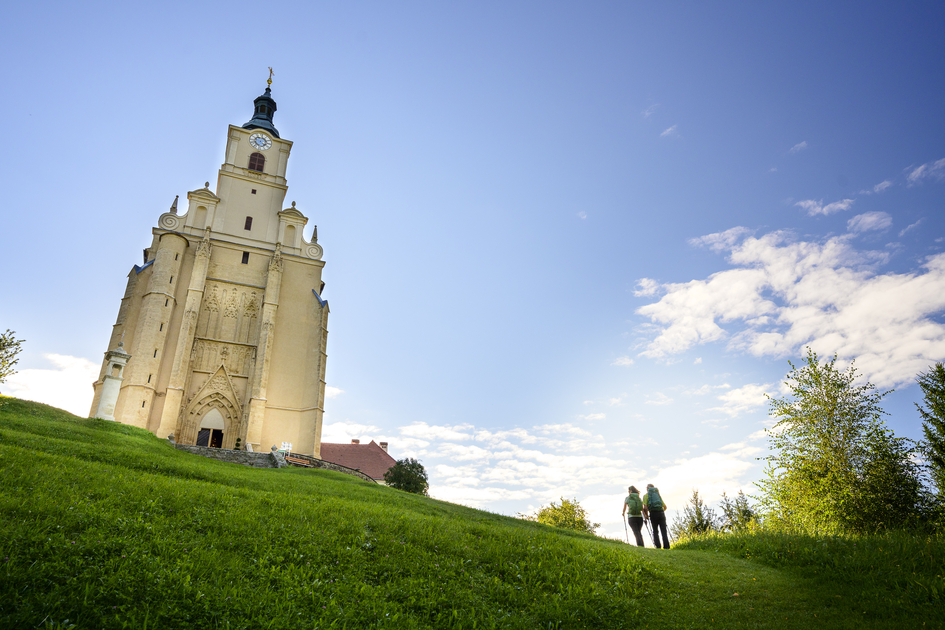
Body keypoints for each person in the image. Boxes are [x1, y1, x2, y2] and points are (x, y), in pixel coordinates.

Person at [642, 483, 670, 549]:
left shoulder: (646, 496)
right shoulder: (658, 496)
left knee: (655, 530)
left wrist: (646, 515)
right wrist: (661, 511)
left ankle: (658, 546)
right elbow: (665, 507)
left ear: (647, 489)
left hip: (653, 514)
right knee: (663, 530)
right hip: (661, 513)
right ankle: (666, 546)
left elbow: (645, 507)